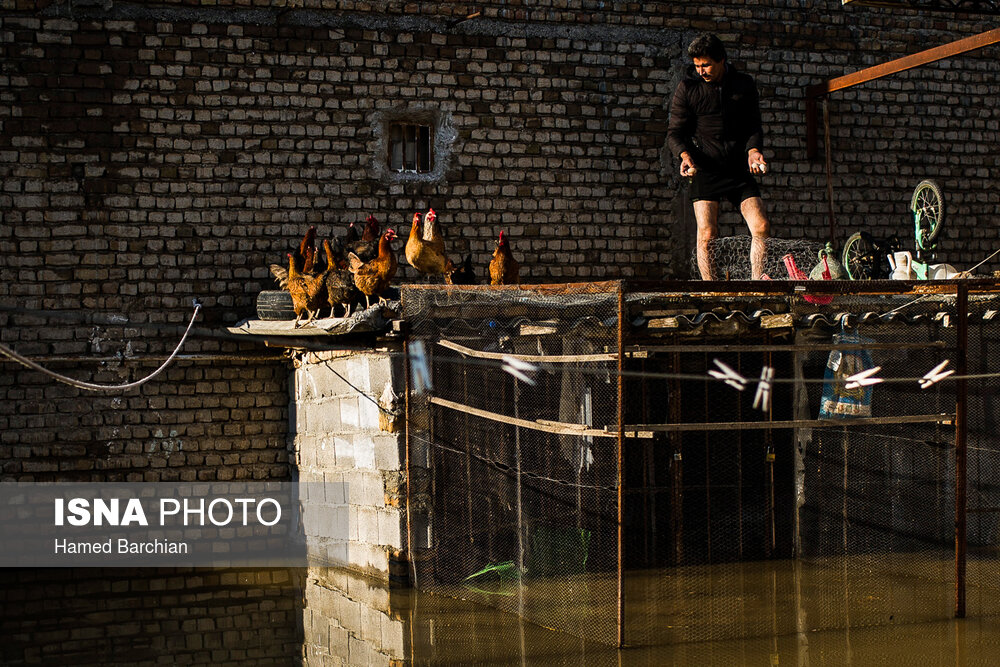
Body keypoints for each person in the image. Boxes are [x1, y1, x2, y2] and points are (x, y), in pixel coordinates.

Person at [667, 33, 771, 280]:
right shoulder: (688, 88)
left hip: (738, 168)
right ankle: (710, 289)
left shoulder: (743, 84)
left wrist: (754, 151)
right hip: (705, 167)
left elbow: (753, 125)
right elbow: (674, 133)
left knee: (762, 226)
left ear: (722, 60)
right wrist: (684, 156)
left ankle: (758, 283)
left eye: (706, 65)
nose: (701, 70)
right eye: (697, 66)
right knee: (707, 234)